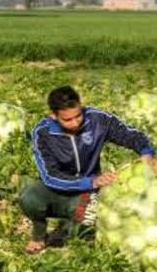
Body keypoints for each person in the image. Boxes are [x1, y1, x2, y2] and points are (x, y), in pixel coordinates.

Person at [20, 85, 156, 254]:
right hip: (59, 190)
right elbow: (50, 176)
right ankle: (39, 234)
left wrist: (146, 152)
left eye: (78, 116)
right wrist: (89, 181)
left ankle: (76, 221)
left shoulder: (96, 119)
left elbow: (128, 134)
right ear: (53, 116)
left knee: (82, 234)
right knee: (30, 196)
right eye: (68, 120)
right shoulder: (42, 133)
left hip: (90, 193)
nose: (76, 122)